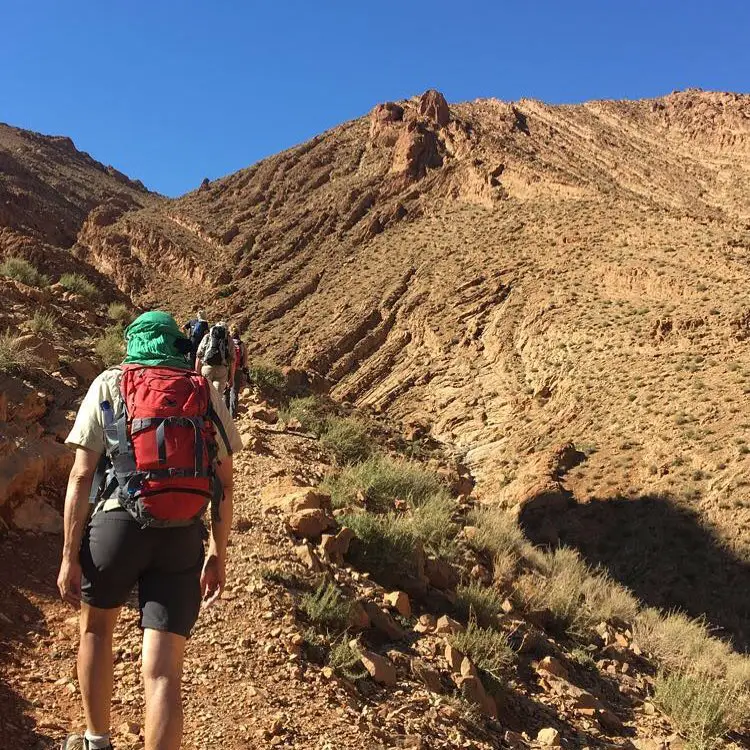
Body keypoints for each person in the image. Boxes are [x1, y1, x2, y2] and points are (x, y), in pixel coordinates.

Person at [58, 311, 243, 750]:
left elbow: (81, 476)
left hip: (115, 529)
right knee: (163, 672)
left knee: (97, 632)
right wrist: (218, 553)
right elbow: (226, 480)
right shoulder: (200, 389)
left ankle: (96, 741)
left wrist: (68, 555)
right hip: (181, 535)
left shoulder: (109, 383)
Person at [195, 320, 235, 397]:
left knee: (205, 395)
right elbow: (233, 360)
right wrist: (231, 378)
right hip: (221, 370)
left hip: (207, 368)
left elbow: (199, 355)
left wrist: (197, 373)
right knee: (217, 397)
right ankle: (214, 408)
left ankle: (206, 408)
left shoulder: (207, 337)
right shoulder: (229, 339)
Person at [227, 327, 248, 419]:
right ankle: (233, 415)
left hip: (227, 369)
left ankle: (225, 414)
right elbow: (245, 361)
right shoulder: (242, 344)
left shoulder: (227, 342)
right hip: (237, 369)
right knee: (234, 391)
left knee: (225, 391)